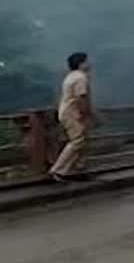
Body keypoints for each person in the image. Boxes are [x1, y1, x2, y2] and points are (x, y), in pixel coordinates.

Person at [49, 52, 95, 182]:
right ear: (81, 64)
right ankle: (57, 170)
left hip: (66, 111)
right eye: (87, 61)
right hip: (72, 113)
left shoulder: (71, 76)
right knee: (78, 140)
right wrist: (85, 114)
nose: (89, 64)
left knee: (82, 141)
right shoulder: (80, 78)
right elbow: (81, 98)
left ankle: (79, 169)